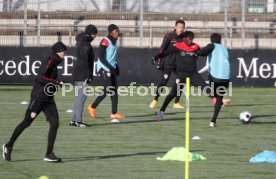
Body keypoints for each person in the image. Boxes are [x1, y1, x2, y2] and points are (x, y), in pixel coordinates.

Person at [3, 42, 67, 162]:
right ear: (58, 51)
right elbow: (40, 78)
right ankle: (8, 145)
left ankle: (49, 154)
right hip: (39, 97)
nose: (65, 53)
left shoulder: (55, 61)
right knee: (27, 122)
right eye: (64, 51)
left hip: (48, 98)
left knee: (55, 123)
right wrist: (56, 82)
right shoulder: (51, 60)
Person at [87, 24, 124, 121]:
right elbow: (101, 57)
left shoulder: (115, 41)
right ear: (111, 32)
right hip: (104, 68)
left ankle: (114, 113)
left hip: (111, 67)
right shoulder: (105, 41)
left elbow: (112, 57)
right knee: (108, 89)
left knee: (114, 90)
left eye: (118, 31)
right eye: (116, 31)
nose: (117, 33)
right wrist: (110, 68)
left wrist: (116, 67)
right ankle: (92, 107)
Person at [196, 33, 231, 127]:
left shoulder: (212, 46)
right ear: (220, 40)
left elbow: (202, 52)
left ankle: (217, 99)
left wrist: (194, 53)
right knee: (219, 98)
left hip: (215, 77)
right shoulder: (224, 49)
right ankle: (213, 121)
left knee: (205, 89)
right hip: (226, 78)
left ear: (211, 40)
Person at [150, 20, 185, 109]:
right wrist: (158, 61)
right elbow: (162, 49)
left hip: (179, 63)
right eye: (179, 27)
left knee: (181, 81)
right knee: (163, 81)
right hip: (168, 62)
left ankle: (176, 102)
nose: (181, 29)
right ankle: (155, 99)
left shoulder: (184, 37)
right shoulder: (169, 36)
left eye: (182, 27)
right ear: (175, 27)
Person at [70, 24, 98, 128]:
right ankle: (78, 121)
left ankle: (74, 120)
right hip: (82, 74)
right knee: (82, 98)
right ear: (91, 34)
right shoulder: (85, 44)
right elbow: (85, 61)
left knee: (78, 97)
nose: (95, 37)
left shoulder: (81, 41)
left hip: (78, 73)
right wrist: (88, 75)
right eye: (95, 35)